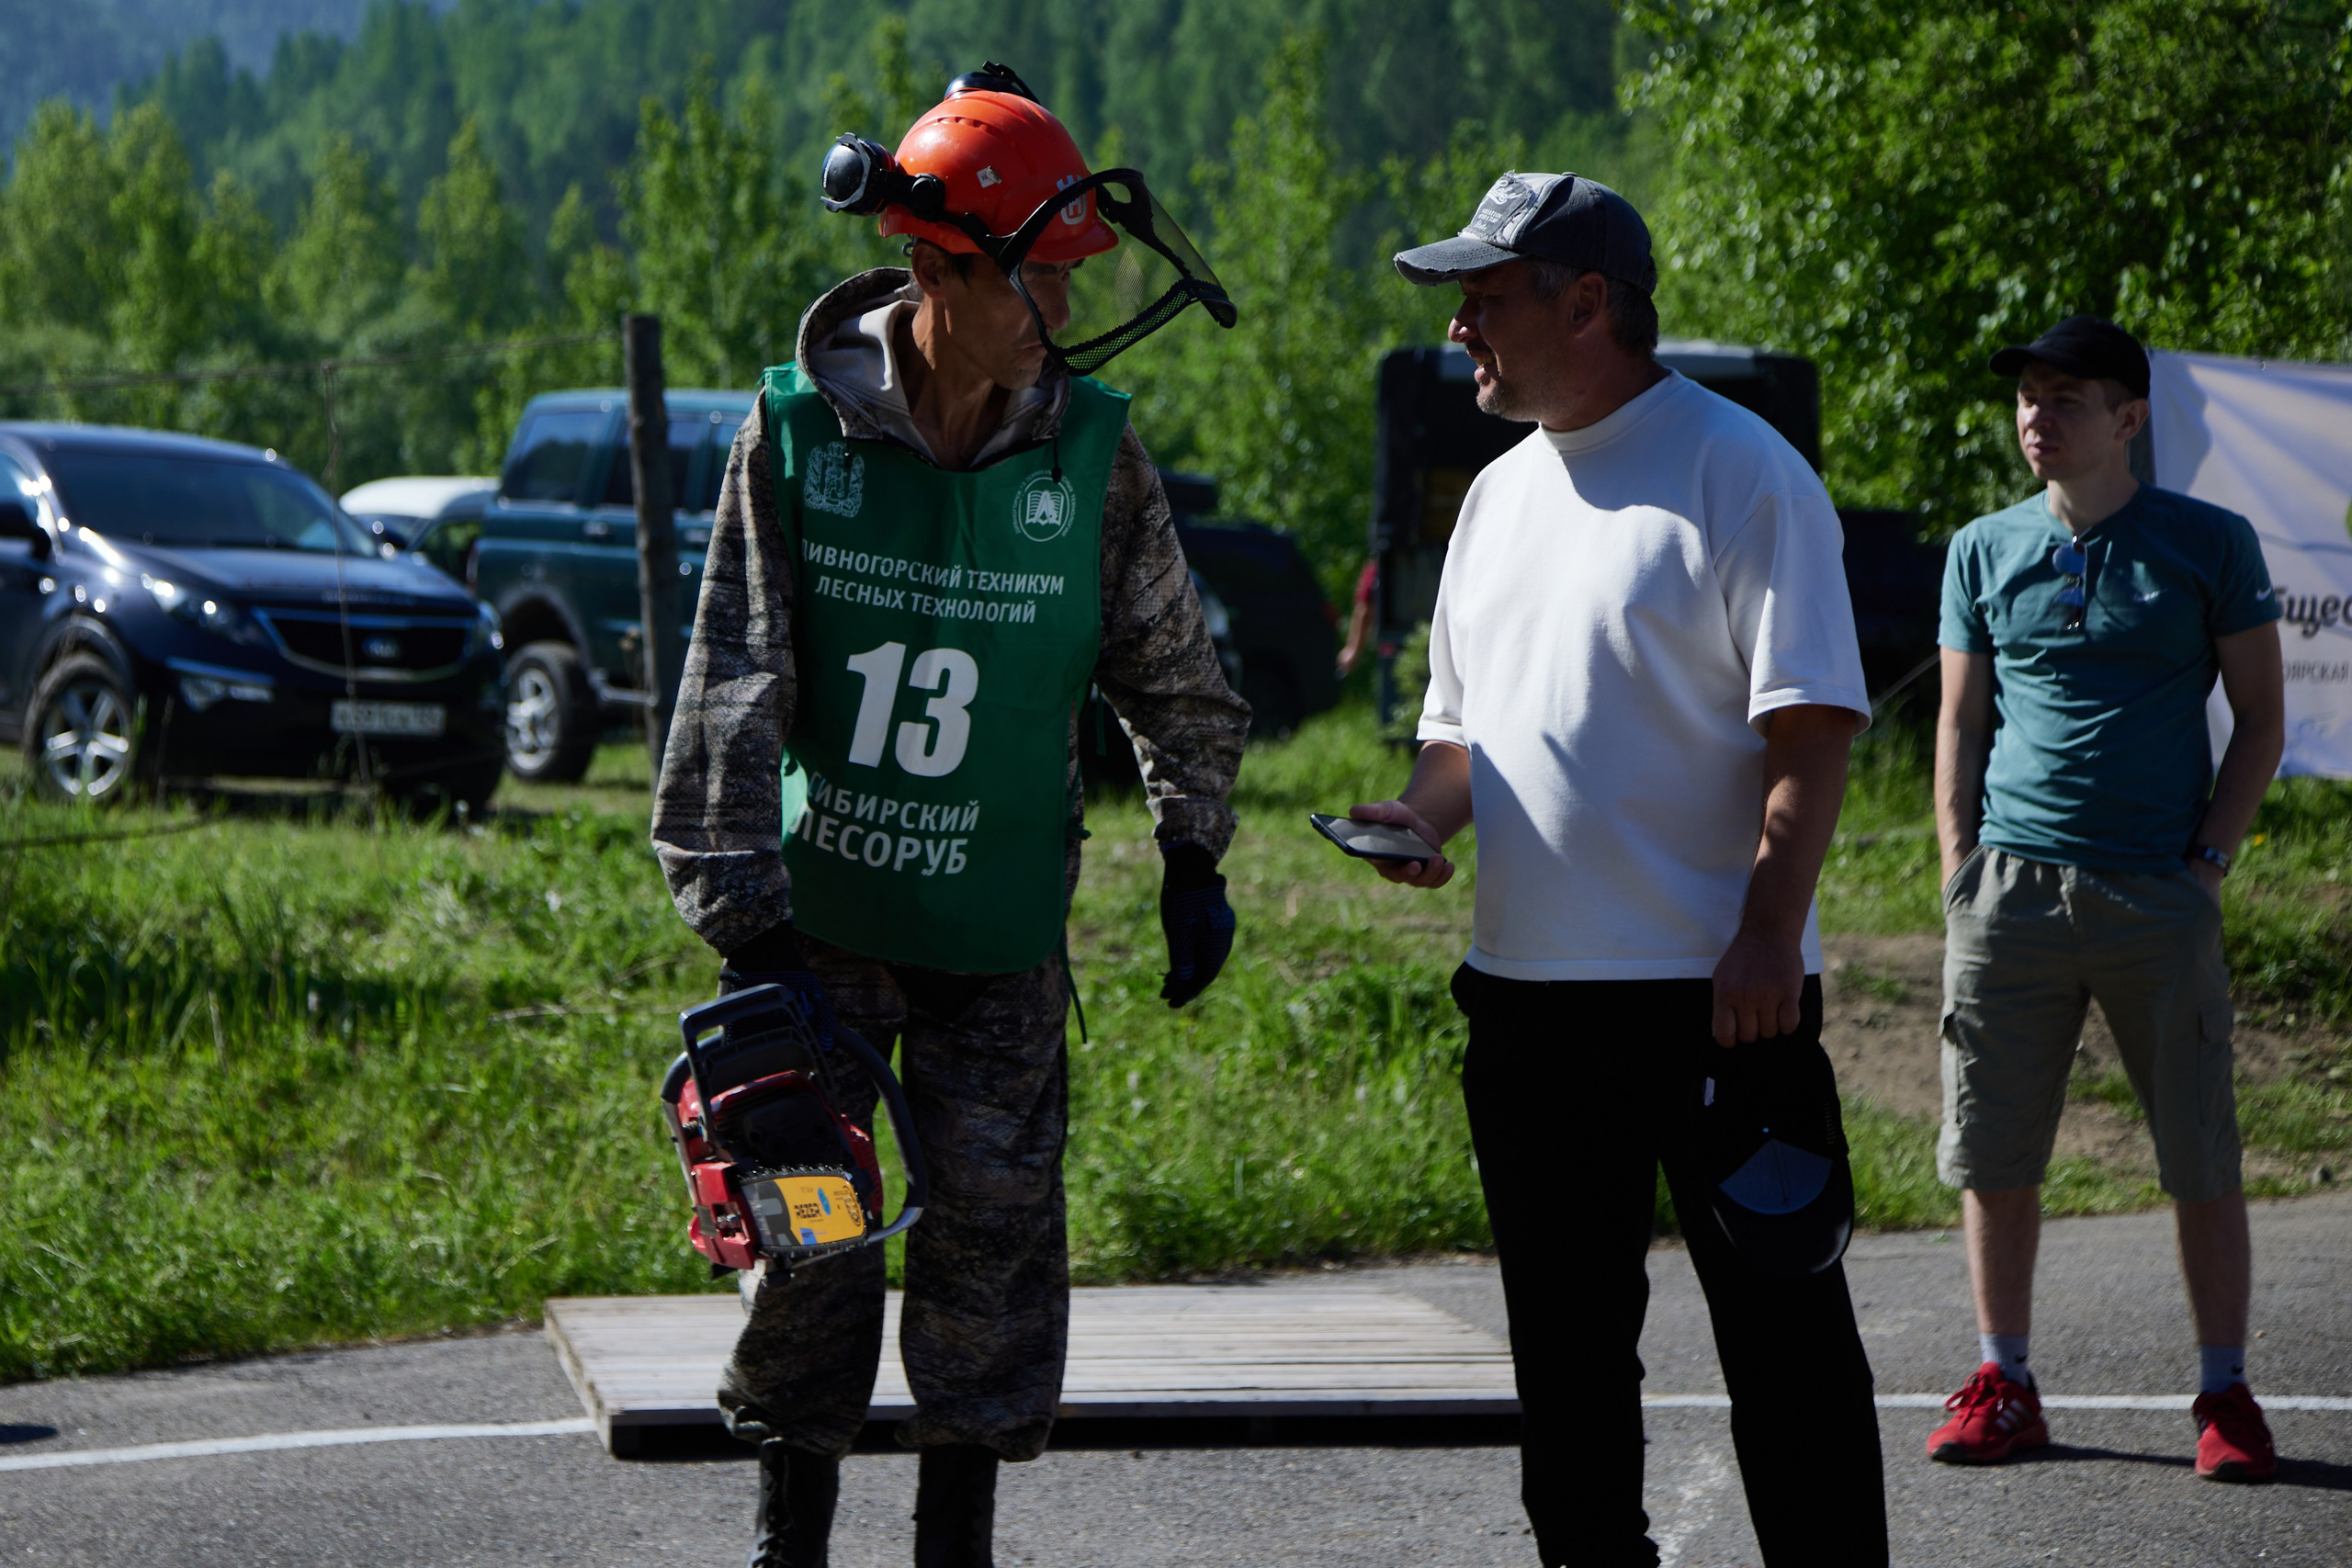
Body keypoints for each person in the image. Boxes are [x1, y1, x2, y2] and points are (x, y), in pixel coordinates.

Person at [650, 67, 1250, 1568]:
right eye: (1034, 280)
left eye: (1064, 278)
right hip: (817, 932)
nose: (1059, 308)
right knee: (814, 1235)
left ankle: (954, 1545)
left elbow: (1175, 675)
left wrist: (1194, 848)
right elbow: (729, 677)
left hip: (998, 933)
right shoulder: (792, 438)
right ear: (935, 268)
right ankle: (790, 1534)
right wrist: (743, 921)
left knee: (990, 1242)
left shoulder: (1095, 458)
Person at [1351, 171, 1887, 1567]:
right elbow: (1461, 735)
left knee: (1788, 1360)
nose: (1461, 320)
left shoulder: (1739, 467)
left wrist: (1771, 932)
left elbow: (1812, 726)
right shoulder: (1495, 497)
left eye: (1487, 291)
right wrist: (1419, 820)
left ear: (1588, 301)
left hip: (1722, 1002)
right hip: (1527, 1006)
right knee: (1569, 1373)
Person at [1926, 316, 2286, 1482]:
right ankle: (2003, 1379)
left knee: (2200, 1152)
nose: (2038, 416)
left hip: (2155, 896)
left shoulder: (2208, 542)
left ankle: (2225, 1393)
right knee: (1994, 1149)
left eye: (2066, 397)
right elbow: (1960, 722)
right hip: (2010, 894)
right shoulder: (1981, 548)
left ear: (2128, 417)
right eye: (2028, 396)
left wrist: (2208, 866)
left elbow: (2262, 721)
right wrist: (1957, 867)